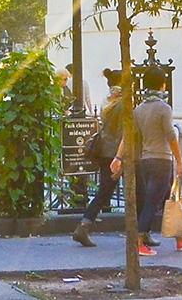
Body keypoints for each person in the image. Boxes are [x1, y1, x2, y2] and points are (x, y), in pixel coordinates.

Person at [110, 88, 182, 255]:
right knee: (153, 202)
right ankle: (139, 241)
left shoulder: (139, 109)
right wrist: (180, 162)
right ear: (163, 85)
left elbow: (128, 135)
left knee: (165, 199)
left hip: (145, 160)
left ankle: (180, 238)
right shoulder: (164, 108)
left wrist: (118, 157)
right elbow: (171, 136)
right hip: (162, 160)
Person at [73, 80, 126, 246]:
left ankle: (84, 225)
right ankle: (84, 225)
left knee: (106, 191)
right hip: (115, 153)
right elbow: (124, 133)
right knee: (107, 191)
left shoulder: (108, 106)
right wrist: (120, 157)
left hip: (105, 151)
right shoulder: (123, 107)